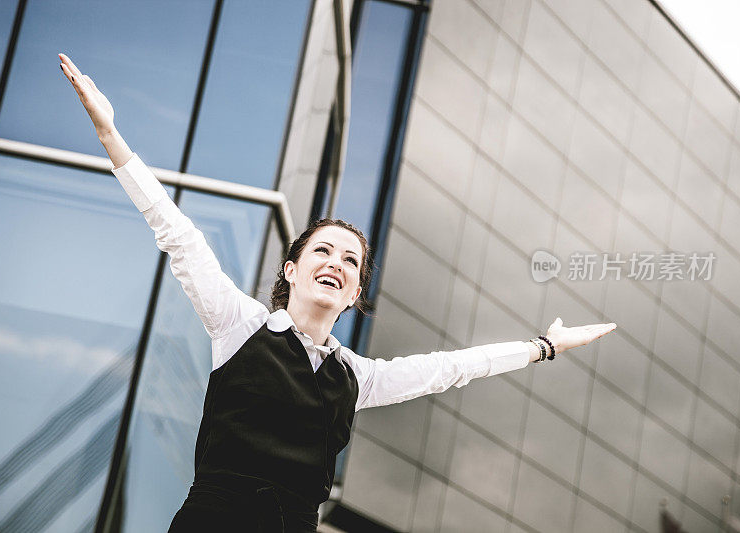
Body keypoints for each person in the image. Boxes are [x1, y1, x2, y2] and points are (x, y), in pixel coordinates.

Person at [58, 53, 617, 532]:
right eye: (323, 251)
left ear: (353, 295)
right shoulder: (238, 324)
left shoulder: (358, 378)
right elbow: (177, 235)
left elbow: (454, 367)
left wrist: (542, 346)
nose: (337, 263)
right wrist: (111, 135)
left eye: (351, 261)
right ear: (292, 270)